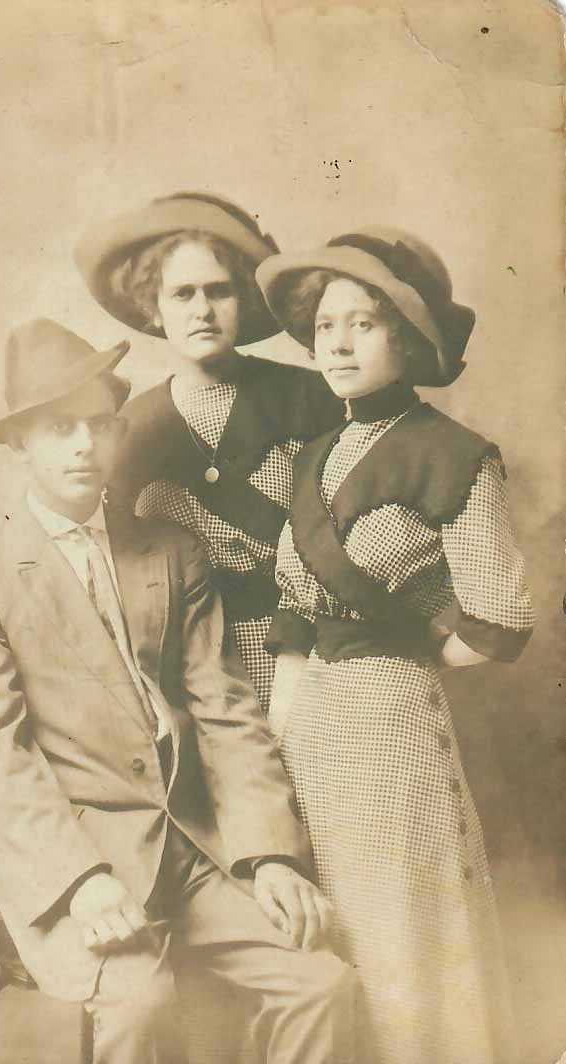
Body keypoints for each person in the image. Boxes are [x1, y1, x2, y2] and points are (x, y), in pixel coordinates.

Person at [0, 318, 355, 1064]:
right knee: (142, 1006)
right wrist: (79, 880)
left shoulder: (170, 548)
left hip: (189, 846)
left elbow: (223, 708)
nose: (85, 446)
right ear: (19, 441)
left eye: (100, 425)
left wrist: (267, 855)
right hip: (77, 856)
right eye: (60, 428)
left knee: (322, 985)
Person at [255, 230, 535, 1064]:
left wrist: (403, 661)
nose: (336, 343)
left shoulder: (455, 455)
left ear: (406, 340)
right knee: (330, 945)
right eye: (326, 325)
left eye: (363, 324)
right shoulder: (310, 458)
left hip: (392, 736)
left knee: (405, 942)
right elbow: (292, 608)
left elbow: (499, 619)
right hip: (309, 736)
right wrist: (284, 714)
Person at [74, 192, 344, 712]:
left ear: (243, 298)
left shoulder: (312, 398)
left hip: (315, 655)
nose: (202, 310)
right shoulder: (130, 432)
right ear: (152, 307)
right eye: (182, 294)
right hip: (197, 670)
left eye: (219, 291)